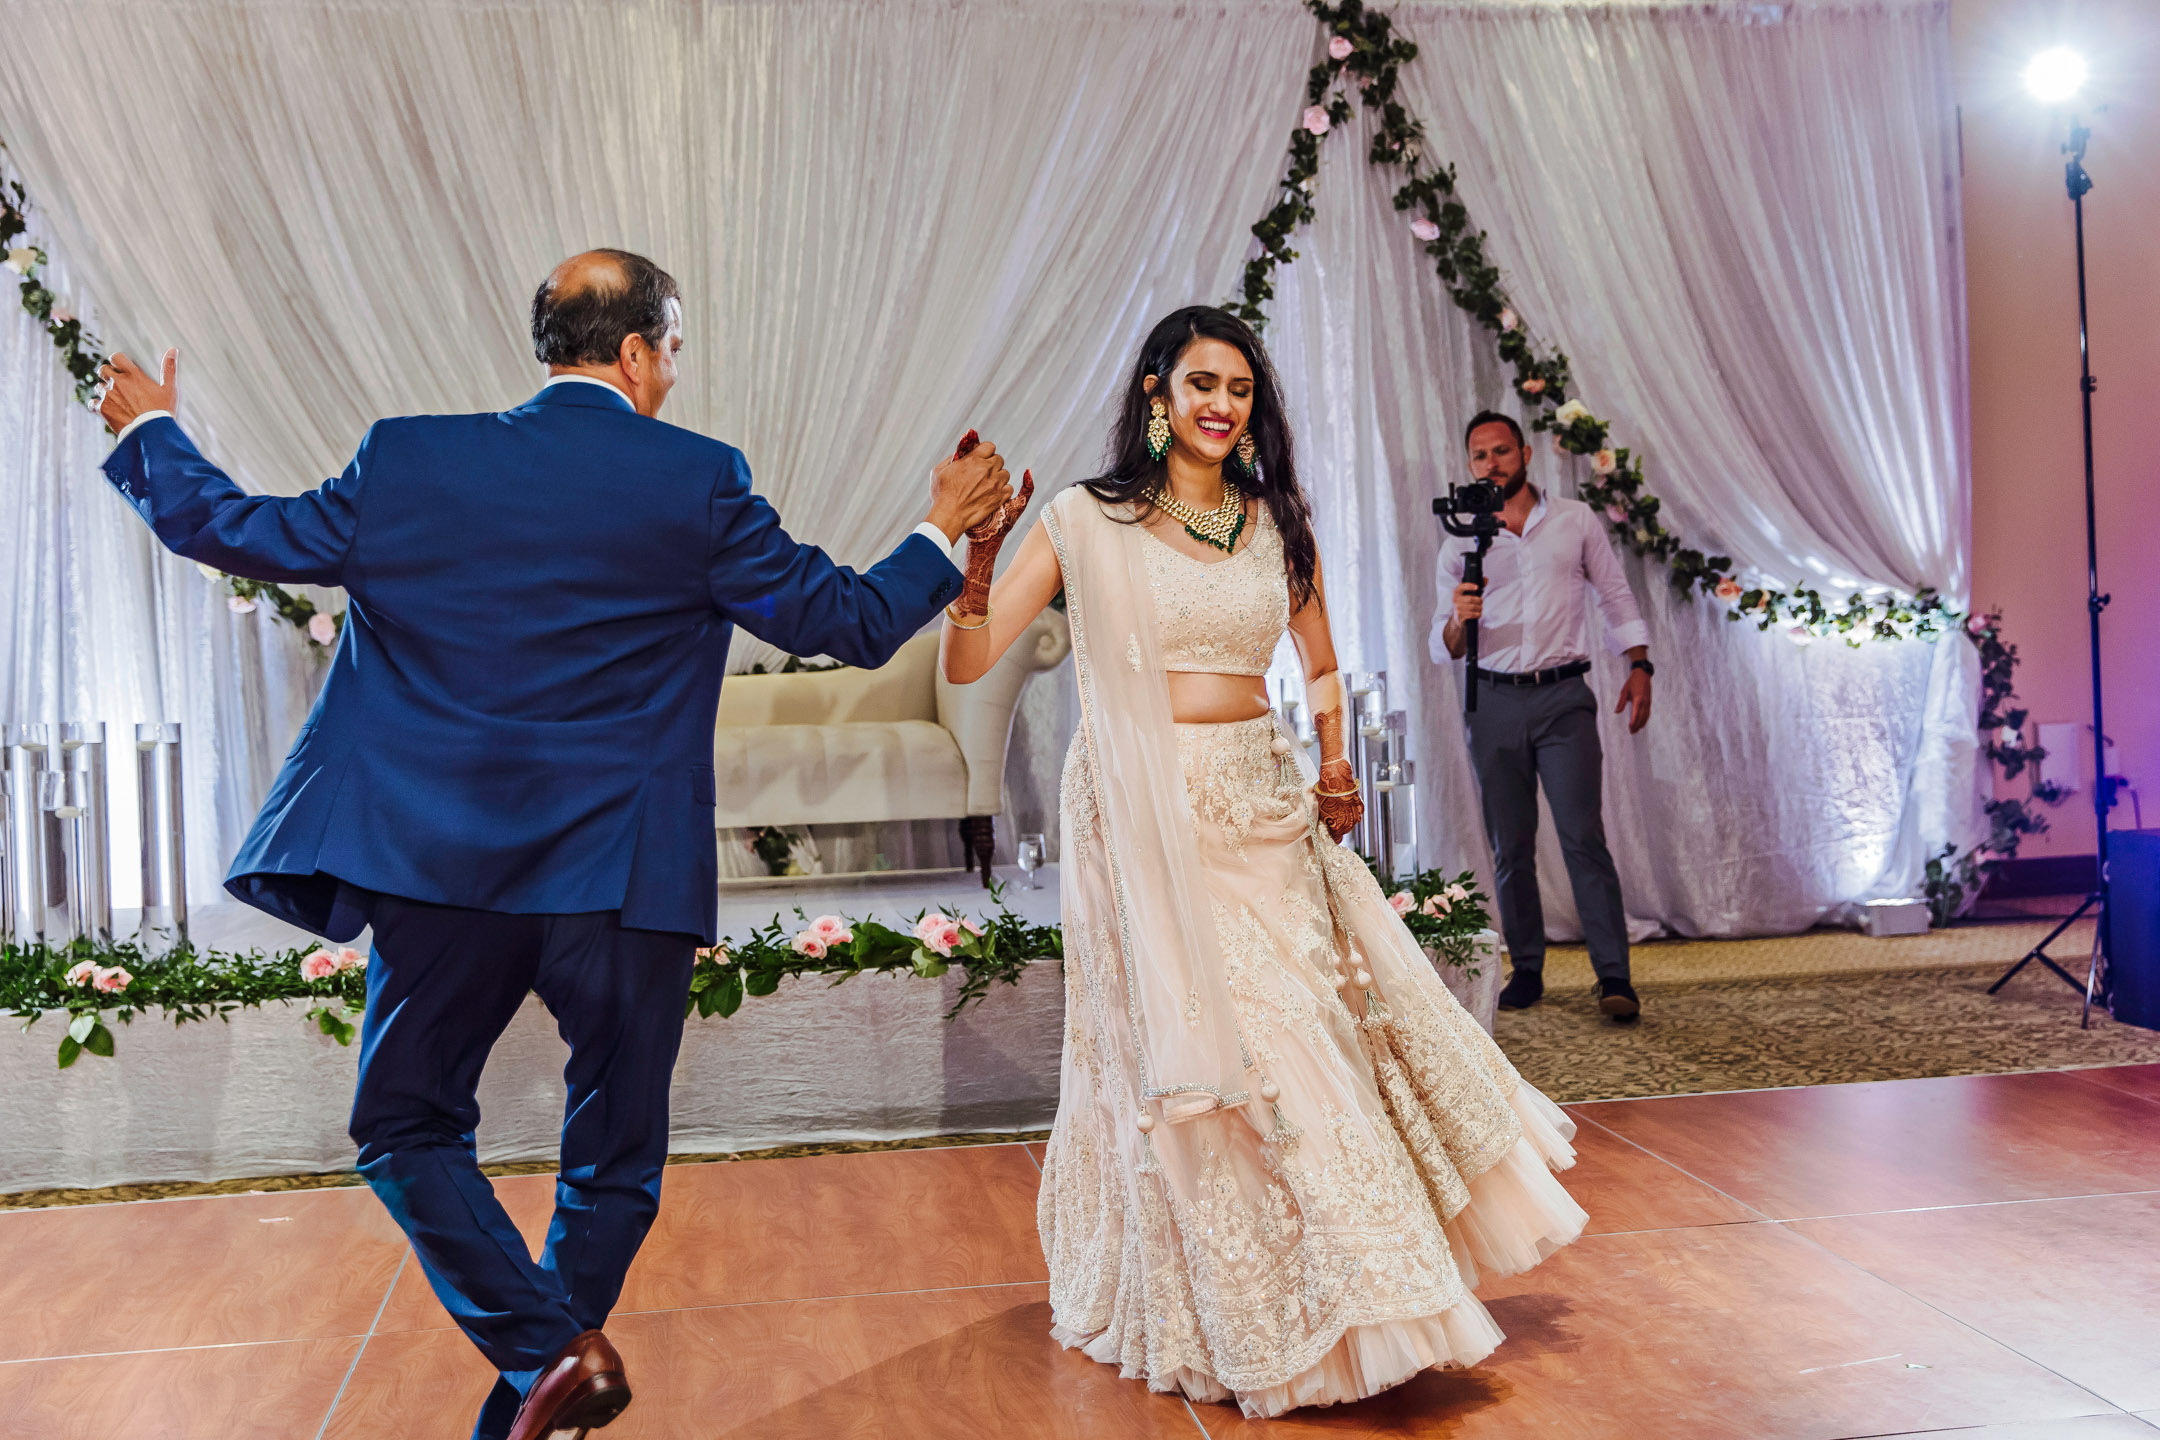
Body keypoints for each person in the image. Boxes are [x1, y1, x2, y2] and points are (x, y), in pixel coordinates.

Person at [92, 249, 1013, 1440]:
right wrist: (940, 527)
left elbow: (232, 530)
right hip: (624, 880)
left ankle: (542, 1368)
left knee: (404, 1125)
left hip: (444, 873)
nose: (673, 374)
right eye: (673, 350)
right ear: (637, 352)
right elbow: (843, 619)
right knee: (613, 1158)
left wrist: (156, 430)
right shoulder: (697, 481)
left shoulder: (409, 458)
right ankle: (546, 1368)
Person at [940, 307, 1585, 1418]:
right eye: (1200, 384)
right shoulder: (1086, 520)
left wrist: (1335, 761)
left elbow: (1320, 661)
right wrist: (981, 562)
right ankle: (1254, 1304)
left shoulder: (1271, 521)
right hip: (1144, 814)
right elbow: (970, 657)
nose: (1220, 406)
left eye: (1239, 389)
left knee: (1306, 1027)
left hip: (1258, 798)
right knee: (1216, 1050)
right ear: (1156, 392)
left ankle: (1363, 1285)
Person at [1432, 411, 1652, 1022]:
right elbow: (1443, 642)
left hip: (1563, 697)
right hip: (1493, 698)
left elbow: (1613, 593)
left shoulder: (1574, 520)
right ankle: (1526, 968)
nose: (1492, 463)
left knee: (1585, 837)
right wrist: (1458, 617)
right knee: (1511, 845)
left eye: (1502, 451)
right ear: (1469, 463)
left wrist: (1640, 664)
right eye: (1480, 455)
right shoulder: (1461, 540)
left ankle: (1614, 976)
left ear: (1525, 453)